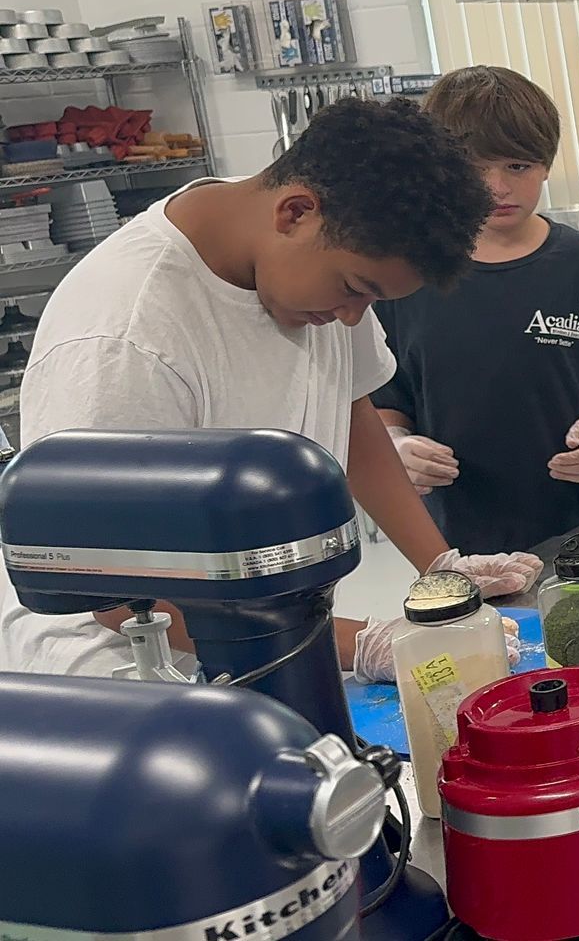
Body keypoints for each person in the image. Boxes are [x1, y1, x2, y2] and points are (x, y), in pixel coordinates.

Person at [0, 98, 541, 683]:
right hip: (125, 676)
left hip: (261, 633)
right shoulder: (124, 338)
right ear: (295, 213)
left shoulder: (309, 241)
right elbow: (112, 591)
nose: (354, 317)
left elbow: (350, 405)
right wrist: (364, 643)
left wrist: (442, 569)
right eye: (354, 288)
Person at [373, 66, 579, 553]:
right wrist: (396, 446)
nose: (497, 187)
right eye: (474, 168)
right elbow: (386, 399)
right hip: (463, 540)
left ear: (546, 165)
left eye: (518, 166)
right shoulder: (406, 276)